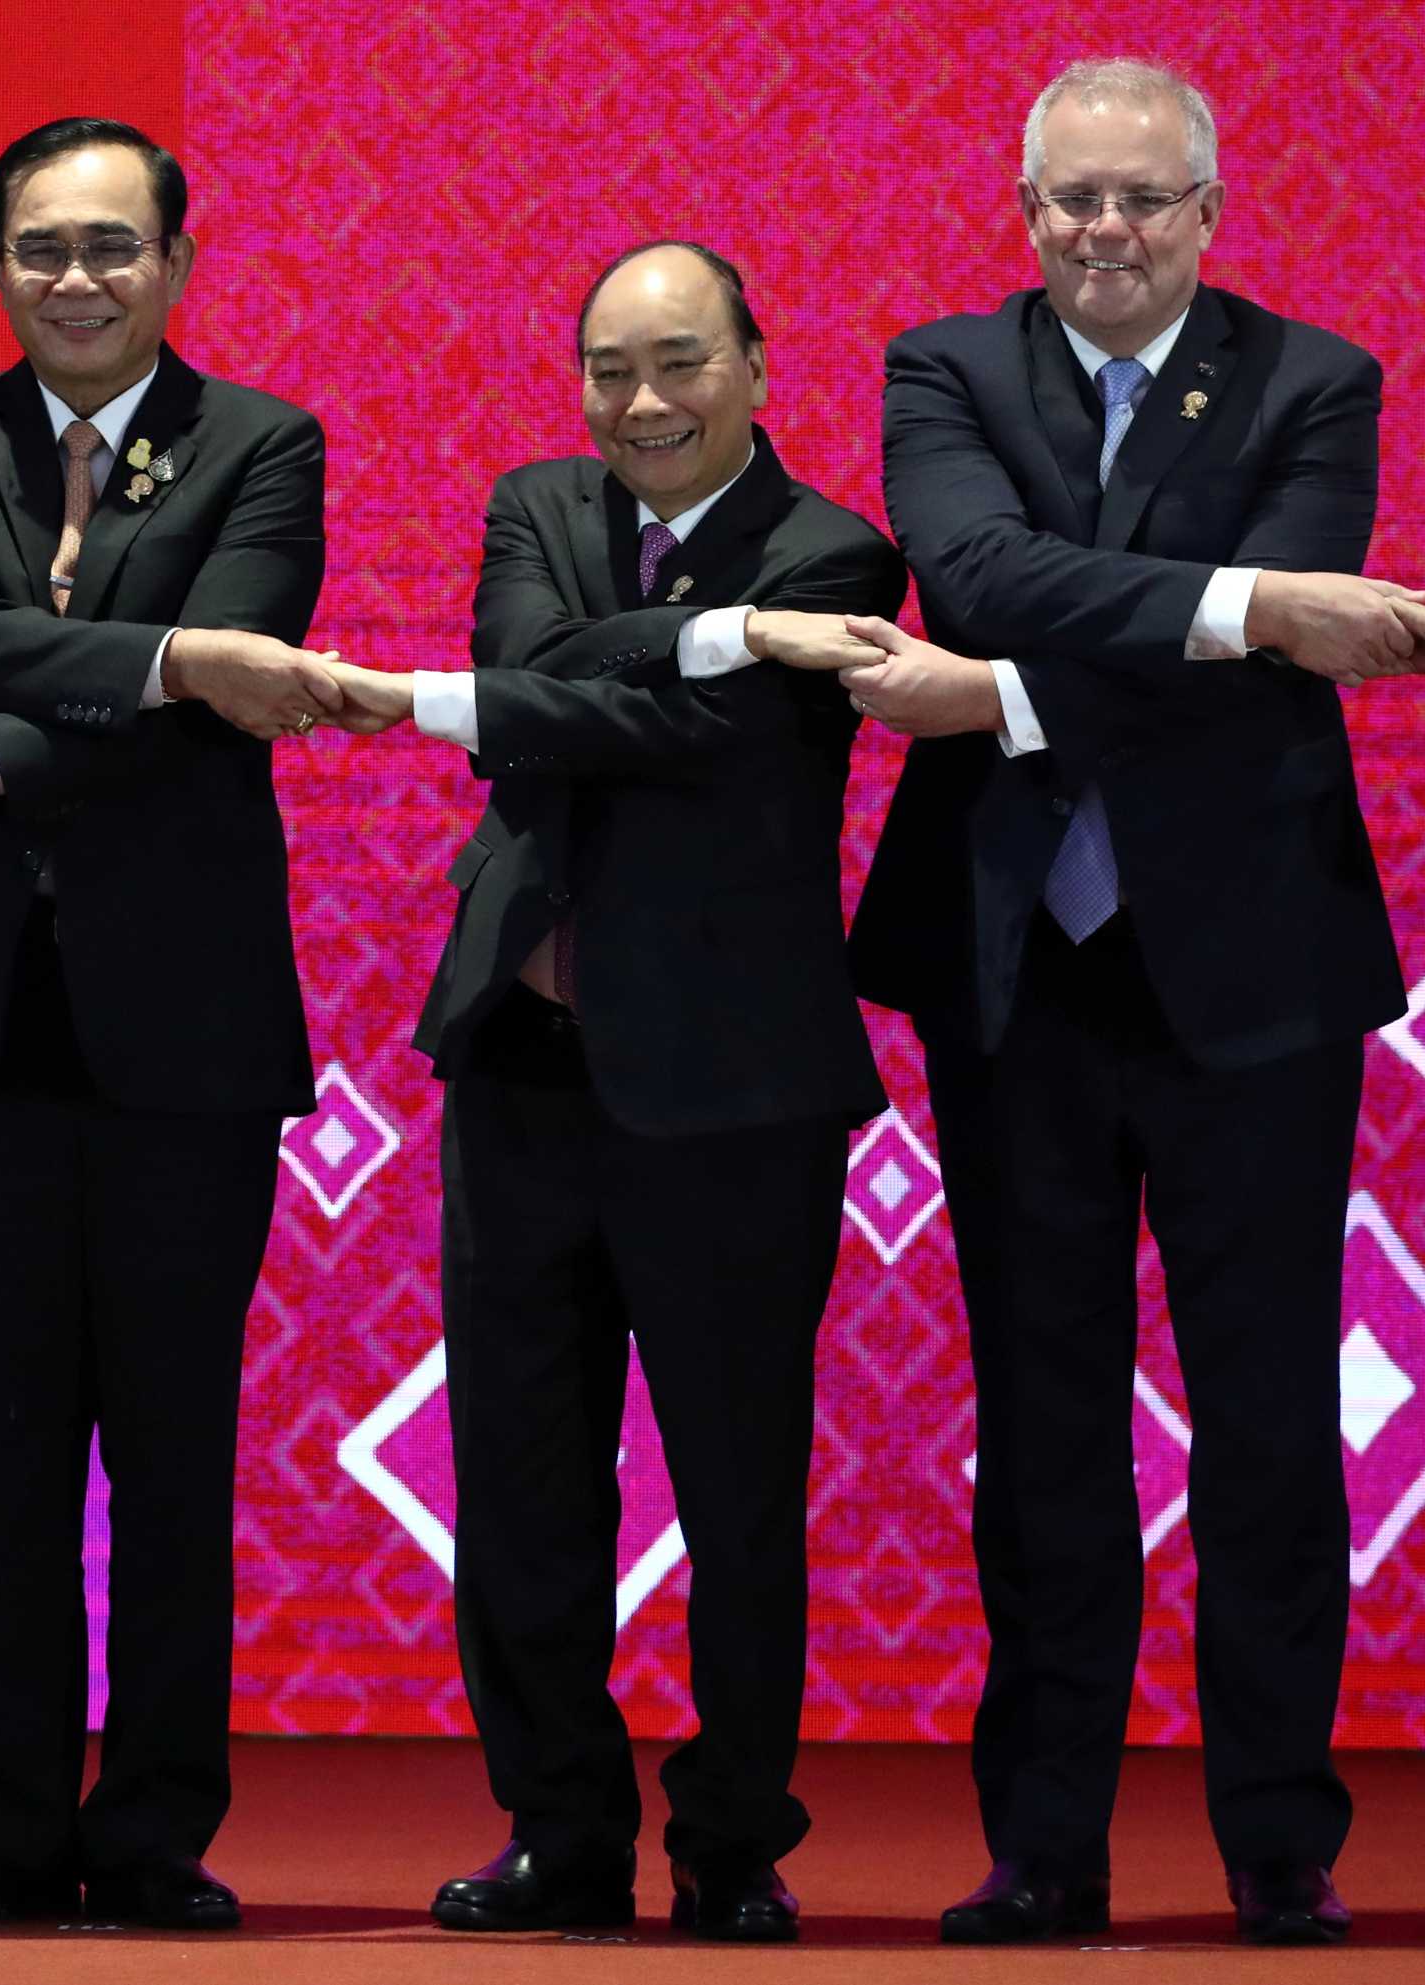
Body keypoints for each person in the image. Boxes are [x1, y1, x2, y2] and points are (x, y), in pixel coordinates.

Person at [845, 60, 1414, 1947]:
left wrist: (1007, 687)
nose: (1105, 232)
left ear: (1208, 211)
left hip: (1253, 975)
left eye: (1142, 201)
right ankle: (1045, 1844)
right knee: (1048, 1418)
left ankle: (1278, 1842)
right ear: (1025, 212)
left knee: (1266, 1421)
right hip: (1018, 971)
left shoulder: (1314, 379)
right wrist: (1254, 610)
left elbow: (1048, 622)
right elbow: (976, 568)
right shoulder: (948, 368)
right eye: (1071, 201)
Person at [317, 243, 903, 1941]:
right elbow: (523, 706)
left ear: (757, 368)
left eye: (680, 365)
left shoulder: (843, 550)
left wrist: (637, 667)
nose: (641, 403)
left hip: (735, 1092)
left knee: (735, 1483)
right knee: (518, 1475)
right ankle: (559, 1828)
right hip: (523, 1064)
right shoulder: (538, 506)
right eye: (607, 370)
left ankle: (733, 1842)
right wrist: (716, 634)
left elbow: (680, 736)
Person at [0, 117, 335, 1933]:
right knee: (6, 1436)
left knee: (173, 1436)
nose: (78, 277)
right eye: (41, 246)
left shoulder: (265, 441)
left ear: (179, 266)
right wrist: (168, 657)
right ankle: (7, 1828)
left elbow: (236, 678)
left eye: (113, 246)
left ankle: (157, 1833)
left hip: (186, 1015)